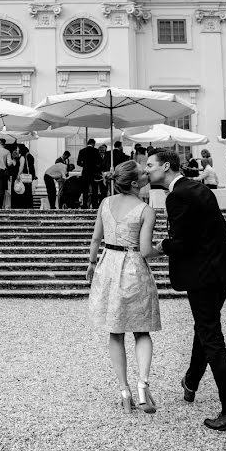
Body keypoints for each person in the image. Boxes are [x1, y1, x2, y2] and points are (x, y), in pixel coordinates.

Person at [146, 149, 226, 431]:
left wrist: (156, 249)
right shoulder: (199, 188)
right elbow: (216, 231)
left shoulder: (176, 196)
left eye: (150, 164)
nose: (146, 169)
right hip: (223, 269)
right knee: (205, 328)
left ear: (166, 166)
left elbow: (180, 243)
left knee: (211, 337)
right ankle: (191, 381)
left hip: (203, 275)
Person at [87, 161, 160, 414]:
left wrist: (91, 263)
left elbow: (96, 238)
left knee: (115, 332)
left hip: (108, 265)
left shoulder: (105, 203)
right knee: (141, 331)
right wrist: (164, 248)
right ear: (133, 182)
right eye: (142, 172)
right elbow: (146, 251)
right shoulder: (145, 210)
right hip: (133, 268)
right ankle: (142, 386)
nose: (146, 173)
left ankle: (124, 391)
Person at [77, 139, 102, 209]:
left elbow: (78, 162)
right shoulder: (96, 151)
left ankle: (84, 204)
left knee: (85, 189)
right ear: (93, 144)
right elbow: (100, 162)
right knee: (95, 189)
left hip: (85, 172)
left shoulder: (82, 151)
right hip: (94, 173)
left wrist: (85, 165)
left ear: (87, 143)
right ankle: (95, 205)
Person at [10, 144, 35, 209]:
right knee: (19, 189)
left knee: (21, 190)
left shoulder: (22, 157)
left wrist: (18, 175)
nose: (17, 150)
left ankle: (22, 205)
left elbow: (21, 167)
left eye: (18, 148)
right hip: (18, 175)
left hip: (20, 176)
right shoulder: (19, 157)